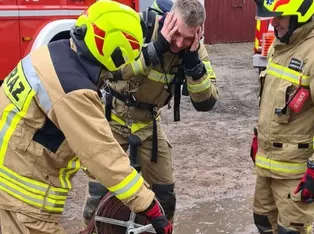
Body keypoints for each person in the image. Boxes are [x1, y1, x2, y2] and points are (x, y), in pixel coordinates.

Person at [0, 1, 172, 233]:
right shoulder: (74, 90)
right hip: (22, 200)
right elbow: (101, 154)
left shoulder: (53, 53)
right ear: (118, 52)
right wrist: (149, 206)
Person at [81, 0, 219, 229]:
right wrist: (156, 47)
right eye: (176, 34)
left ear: (198, 32)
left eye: (187, 38)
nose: (179, 43)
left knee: (165, 195)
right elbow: (113, 73)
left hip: (148, 126)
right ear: (170, 19)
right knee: (99, 192)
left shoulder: (193, 49)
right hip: (114, 120)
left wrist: (193, 64)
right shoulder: (140, 28)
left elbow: (206, 101)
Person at [250, 0, 314, 233]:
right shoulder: (283, 43)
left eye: (280, 16)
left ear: (302, 13)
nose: (273, 22)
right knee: (263, 223)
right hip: (267, 166)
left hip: (295, 174)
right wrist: (259, 137)